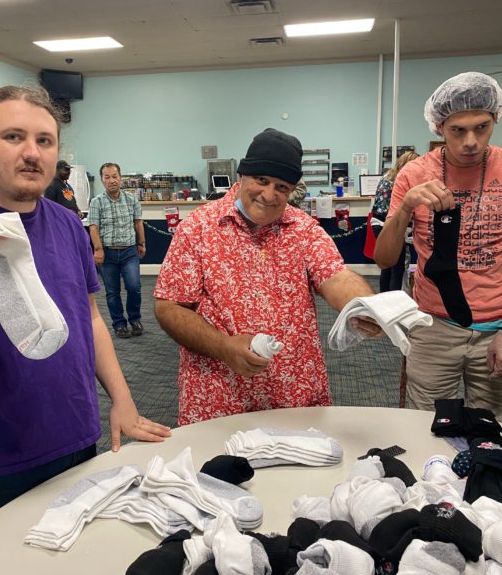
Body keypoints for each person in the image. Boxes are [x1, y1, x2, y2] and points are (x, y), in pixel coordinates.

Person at [0, 85, 170, 524]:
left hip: (76, 433)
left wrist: (122, 399)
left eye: (44, 141)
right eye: (13, 137)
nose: (32, 153)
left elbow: (91, 319)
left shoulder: (65, 223)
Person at [154, 127, 381, 426]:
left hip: (293, 395)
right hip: (219, 395)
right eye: (261, 180)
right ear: (242, 175)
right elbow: (169, 306)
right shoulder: (198, 228)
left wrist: (366, 305)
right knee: (219, 471)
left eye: (282, 187)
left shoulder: (303, 228)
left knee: (300, 472)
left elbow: (336, 276)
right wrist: (223, 346)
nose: (269, 195)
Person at [374, 71, 502, 415]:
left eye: (481, 127)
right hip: (434, 326)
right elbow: (385, 260)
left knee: (492, 433)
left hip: (498, 327)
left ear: (495, 118)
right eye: (458, 130)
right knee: (426, 428)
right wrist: (404, 208)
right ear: (439, 128)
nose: (471, 141)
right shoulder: (414, 173)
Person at [88, 163, 145, 339]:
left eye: (114, 176)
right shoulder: (97, 202)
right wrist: (98, 250)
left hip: (129, 252)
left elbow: (138, 222)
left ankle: (134, 319)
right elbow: (94, 228)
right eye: (107, 177)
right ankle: (119, 324)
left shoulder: (131, 199)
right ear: (102, 180)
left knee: (134, 287)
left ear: (120, 177)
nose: (111, 180)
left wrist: (141, 243)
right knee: (112, 291)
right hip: (107, 254)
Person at [371, 151, 420, 292]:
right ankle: (395, 302)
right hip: (392, 224)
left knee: (386, 265)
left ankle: (384, 297)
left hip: (377, 222)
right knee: (397, 266)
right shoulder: (404, 178)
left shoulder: (387, 175)